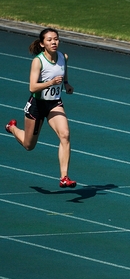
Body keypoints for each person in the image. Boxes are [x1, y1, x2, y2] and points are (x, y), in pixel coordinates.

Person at [5, 28, 77, 188]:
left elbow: (63, 71)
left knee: (65, 135)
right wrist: (50, 83)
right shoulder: (38, 61)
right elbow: (32, 87)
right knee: (29, 145)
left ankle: (64, 177)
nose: (54, 42)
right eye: (50, 40)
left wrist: (66, 84)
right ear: (42, 43)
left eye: (56, 39)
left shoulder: (63, 57)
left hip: (54, 103)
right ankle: (12, 127)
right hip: (37, 105)